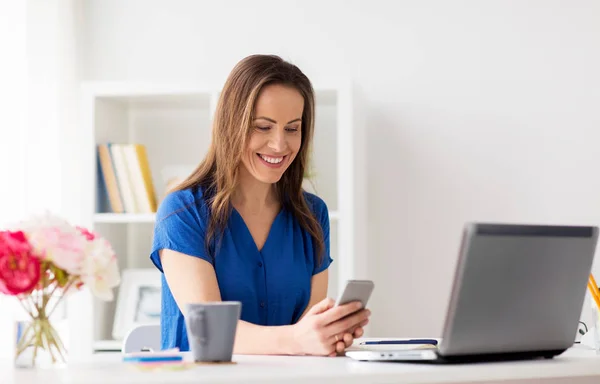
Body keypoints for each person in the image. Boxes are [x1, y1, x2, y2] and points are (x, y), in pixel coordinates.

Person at [149, 54, 371, 356]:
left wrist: (328, 334)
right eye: (263, 127)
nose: (280, 145)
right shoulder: (182, 212)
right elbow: (210, 332)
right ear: (232, 124)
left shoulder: (312, 215)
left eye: (292, 129)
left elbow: (308, 328)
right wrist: (298, 339)